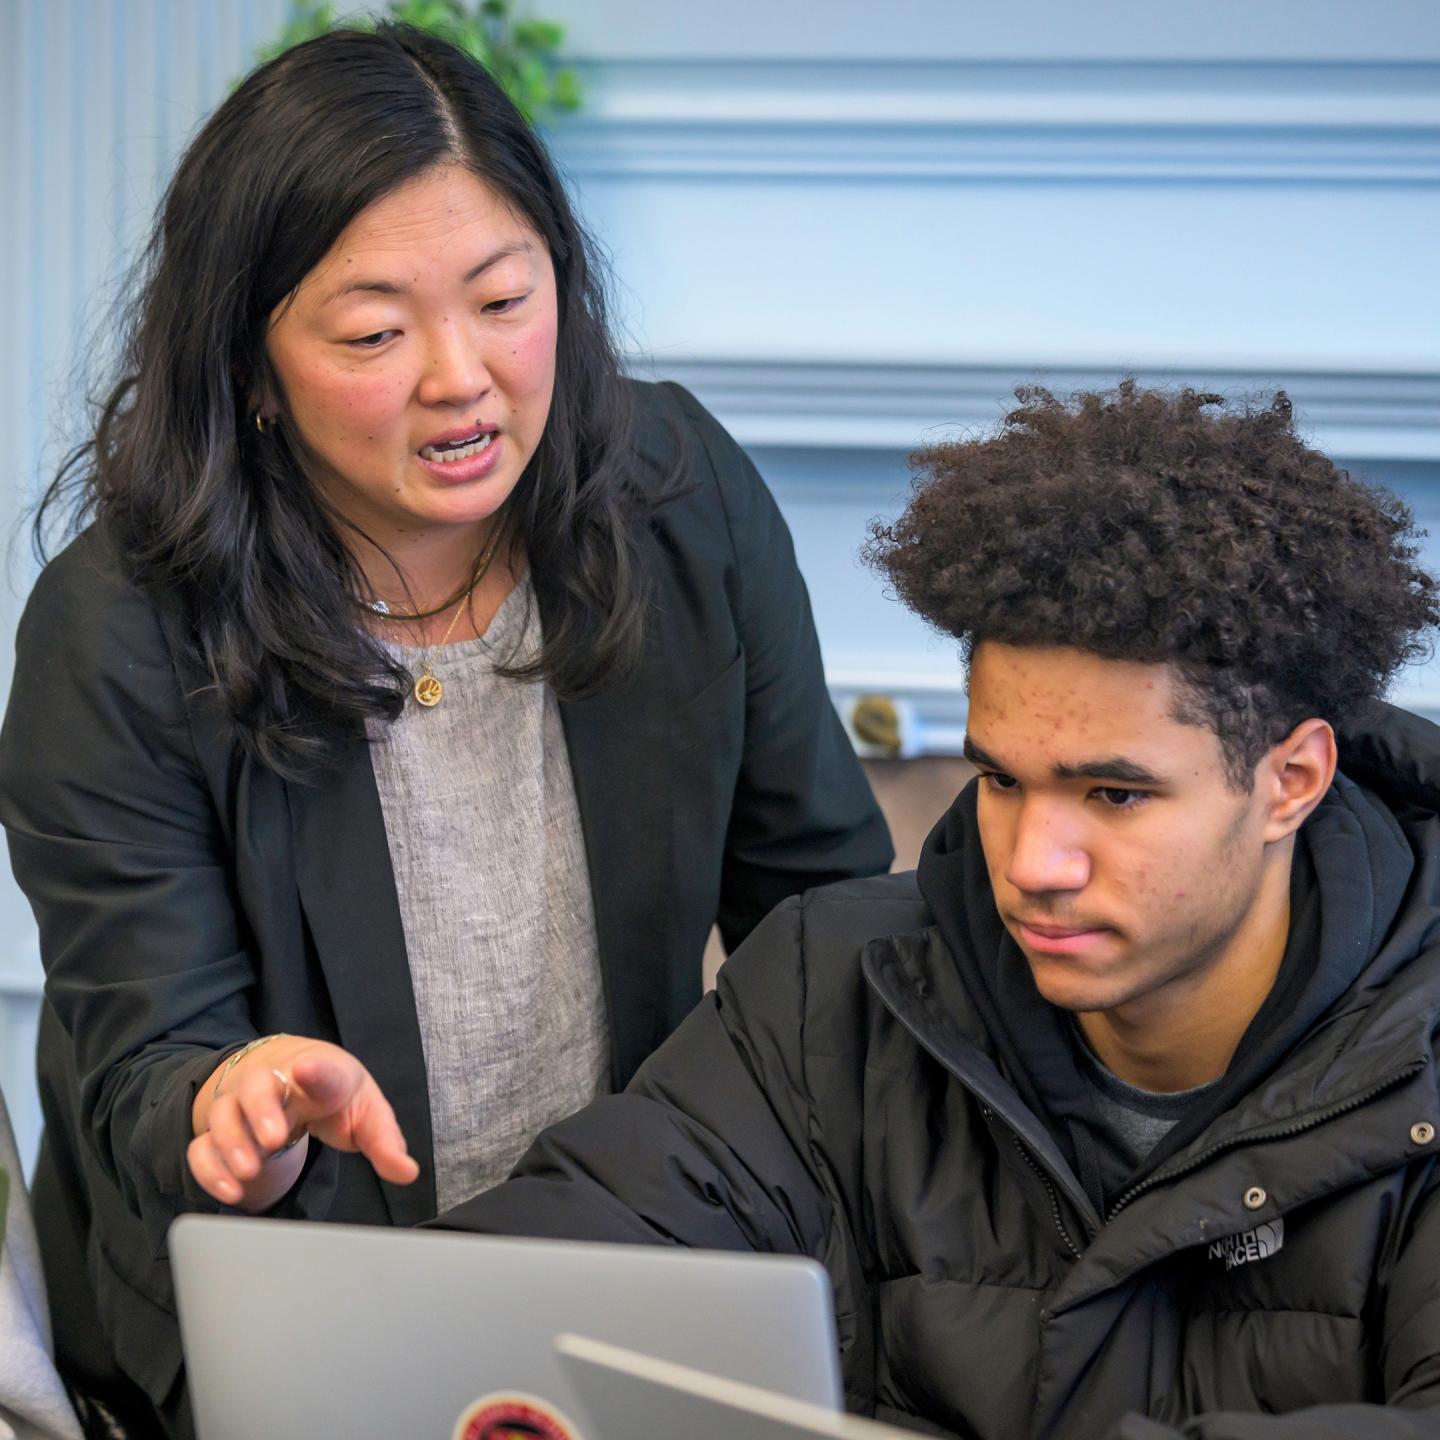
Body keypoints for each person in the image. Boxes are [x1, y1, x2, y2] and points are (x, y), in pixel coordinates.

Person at [0, 24, 891, 1440]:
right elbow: (141, 1059)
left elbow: (830, 923)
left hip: (619, 1284)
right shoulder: (115, 626)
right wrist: (232, 1107)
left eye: (502, 298)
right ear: (250, 366)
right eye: (371, 333)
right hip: (277, 1326)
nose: (461, 378)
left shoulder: (680, 503)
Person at [437, 382, 1440, 1438]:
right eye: (1004, 780)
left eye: (1116, 795)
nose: (1035, 863)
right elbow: (547, 1266)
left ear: (1291, 781)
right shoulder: (828, 992)